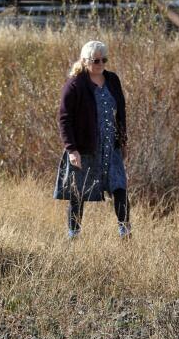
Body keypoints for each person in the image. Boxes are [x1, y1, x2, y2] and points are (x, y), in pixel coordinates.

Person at [54, 38, 130, 240]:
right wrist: (71, 149)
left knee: (119, 187)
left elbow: (121, 111)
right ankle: (74, 235)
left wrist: (122, 141)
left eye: (104, 60)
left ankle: (125, 232)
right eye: (96, 60)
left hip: (110, 146)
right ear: (85, 60)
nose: (101, 64)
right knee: (78, 193)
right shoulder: (75, 84)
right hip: (85, 147)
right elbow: (64, 118)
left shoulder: (112, 79)